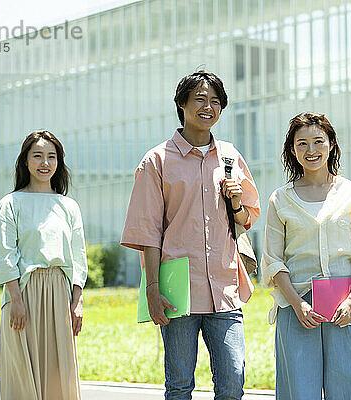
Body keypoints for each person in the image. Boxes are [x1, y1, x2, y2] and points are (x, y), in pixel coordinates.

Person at [121, 70, 260, 400]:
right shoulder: (156, 160)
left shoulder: (229, 156)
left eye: (215, 101)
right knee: (180, 386)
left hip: (224, 286)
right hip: (177, 290)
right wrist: (152, 289)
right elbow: (148, 231)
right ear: (181, 104)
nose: (208, 107)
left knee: (233, 381)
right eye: (199, 99)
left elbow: (247, 218)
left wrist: (237, 201)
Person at [260, 112, 351, 400]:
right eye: (302, 143)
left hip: (347, 306)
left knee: (348, 390)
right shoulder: (280, 199)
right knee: (299, 392)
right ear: (292, 149)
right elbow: (273, 260)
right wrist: (297, 304)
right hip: (297, 305)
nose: (311, 150)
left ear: (331, 144)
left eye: (318, 141)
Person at [0, 130, 87, 400]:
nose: (45, 163)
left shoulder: (68, 206)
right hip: (23, 292)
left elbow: (78, 256)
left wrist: (77, 300)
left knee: (59, 372)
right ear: (25, 161)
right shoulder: (10, 203)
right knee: (23, 369)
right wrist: (16, 300)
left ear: (59, 162)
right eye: (37, 156)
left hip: (59, 292)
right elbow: (5, 254)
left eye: (51, 156)